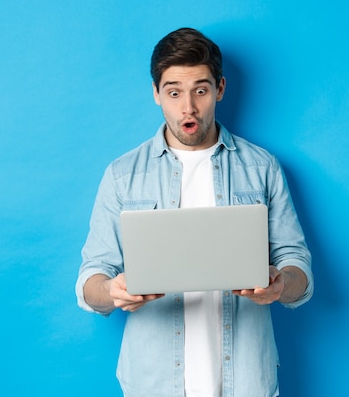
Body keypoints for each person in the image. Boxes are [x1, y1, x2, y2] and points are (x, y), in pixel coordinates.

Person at [76, 27, 313, 397]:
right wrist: (111, 290)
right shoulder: (122, 175)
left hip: (247, 380)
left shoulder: (262, 167)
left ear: (219, 88)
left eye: (200, 90)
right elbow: (91, 280)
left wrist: (282, 284)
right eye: (173, 92)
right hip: (153, 383)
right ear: (156, 94)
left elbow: (297, 264)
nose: (188, 107)